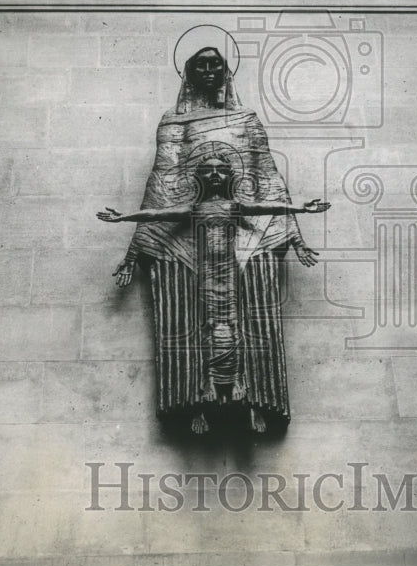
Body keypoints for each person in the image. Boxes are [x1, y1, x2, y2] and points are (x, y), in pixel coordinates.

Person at [108, 36, 324, 433]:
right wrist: (136, 252)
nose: (208, 71)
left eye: (215, 65)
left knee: (253, 312)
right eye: (199, 66)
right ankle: (193, 399)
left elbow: (267, 175)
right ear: (188, 74)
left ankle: (257, 397)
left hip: (246, 228)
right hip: (191, 229)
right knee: (192, 313)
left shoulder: (247, 120)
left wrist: (293, 235)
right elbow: (163, 181)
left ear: (226, 71)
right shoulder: (174, 123)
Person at [99, 150, 329, 434]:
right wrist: (123, 218)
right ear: (199, 177)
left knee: (233, 326)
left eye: (221, 168)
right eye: (209, 169)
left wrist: (302, 210)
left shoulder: (234, 207)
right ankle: (205, 395)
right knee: (210, 327)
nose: (216, 174)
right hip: (206, 274)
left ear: (231, 174)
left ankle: (243, 391)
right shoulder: (196, 210)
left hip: (231, 274)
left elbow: (269, 207)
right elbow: (157, 213)